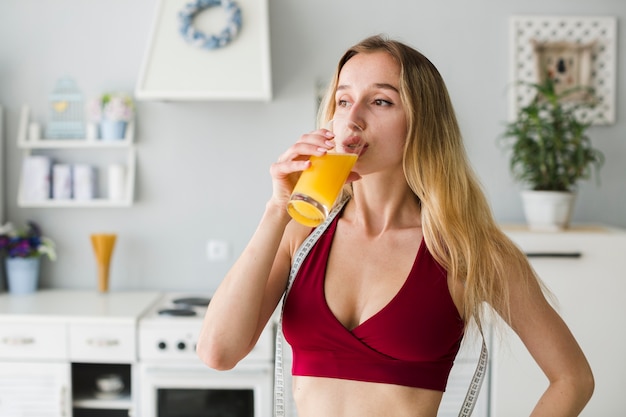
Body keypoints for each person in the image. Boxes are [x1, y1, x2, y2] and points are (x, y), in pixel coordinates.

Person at [196, 35, 594, 417]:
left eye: (381, 101)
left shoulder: (467, 250)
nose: (352, 119)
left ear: (422, 123)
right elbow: (218, 353)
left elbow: (572, 379)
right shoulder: (300, 234)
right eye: (343, 100)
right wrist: (275, 210)